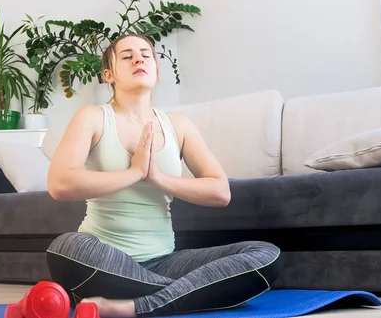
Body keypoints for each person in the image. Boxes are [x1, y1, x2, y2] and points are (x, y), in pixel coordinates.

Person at [45, 34, 281, 318]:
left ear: (156, 70)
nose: (139, 59)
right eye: (127, 55)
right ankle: (195, 290)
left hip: (164, 262)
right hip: (102, 260)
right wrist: (133, 172)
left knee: (265, 254)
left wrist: (157, 177)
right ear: (109, 74)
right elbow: (60, 184)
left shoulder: (179, 126)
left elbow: (220, 192)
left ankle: (135, 306)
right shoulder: (92, 117)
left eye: (146, 54)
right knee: (66, 248)